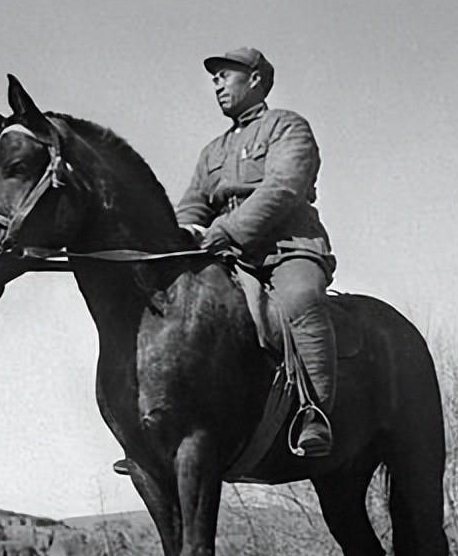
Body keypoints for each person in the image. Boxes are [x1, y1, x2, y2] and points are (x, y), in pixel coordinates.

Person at [112, 47, 336, 476]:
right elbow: (192, 206)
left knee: (301, 300)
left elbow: (284, 189)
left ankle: (315, 411)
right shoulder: (212, 151)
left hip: (285, 251)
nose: (217, 84)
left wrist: (227, 229)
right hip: (226, 255)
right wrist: (175, 239)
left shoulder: (288, 127)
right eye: (213, 79)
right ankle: (159, 431)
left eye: (225, 75)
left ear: (255, 79)